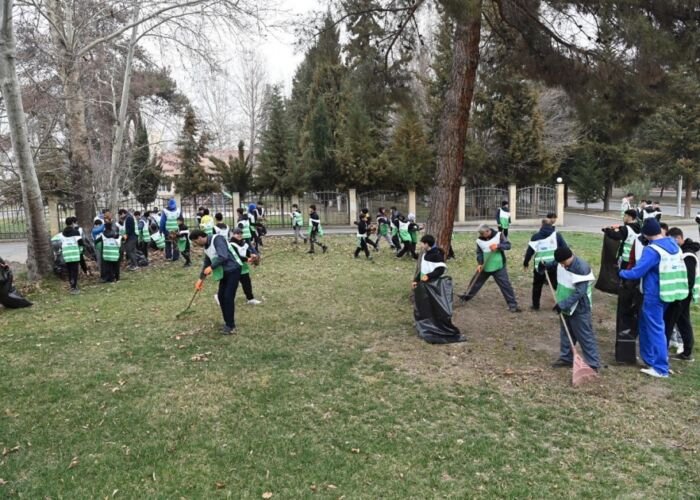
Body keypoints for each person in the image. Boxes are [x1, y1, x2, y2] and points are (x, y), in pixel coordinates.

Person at [619, 218, 688, 378]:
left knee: (656, 329)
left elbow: (637, 272)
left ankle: (660, 368)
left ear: (646, 234)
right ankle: (650, 359)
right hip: (670, 292)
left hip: (654, 294)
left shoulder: (652, 250)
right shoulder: (673, 244)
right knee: (646, 325)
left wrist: (620, 272)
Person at [550, 247, 600, 371]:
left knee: (584, 335)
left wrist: (563, 304)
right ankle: (566, 358)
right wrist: (545, 265)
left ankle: (593, 363)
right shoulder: (562, 261)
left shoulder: (581, 268)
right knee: (566, 333)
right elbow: (554, 263)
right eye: (560, 263)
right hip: (564, 302)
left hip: (580, 307)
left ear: (570, 257)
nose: (562, 265)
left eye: (563, 262)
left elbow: (580, 292)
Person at [189, 228, 243, 335]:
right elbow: (207, 262)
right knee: (221, 297)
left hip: (233, 270)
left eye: (195, 241)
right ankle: (227, 323)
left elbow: (223, 256)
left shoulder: (217, 239)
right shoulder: (206, 247)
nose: (195, 244)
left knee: (228, 297)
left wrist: (211, 267)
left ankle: (230, 326)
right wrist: (201, 279)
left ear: (199, 238)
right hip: (224, 272)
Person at [458, 224, 521, 312]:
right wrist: (480, 263)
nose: (481, 235)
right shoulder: (479, 240)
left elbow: (508, 245)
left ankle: (512, 305)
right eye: (480, 234)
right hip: (485, 266)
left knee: (505, 285)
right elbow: (479, 253)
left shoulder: (499, 235)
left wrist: (498, 246)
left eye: (482, 233)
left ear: (488, 231)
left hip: (499, 266)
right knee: (475, 281)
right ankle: (466, 297)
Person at [663, 227, 698, 362]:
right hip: (681, 293)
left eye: (671, 240)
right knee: (683, 321)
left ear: (678, 238)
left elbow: (689, 280)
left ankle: (663, 351)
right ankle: (687, 352)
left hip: (682, 294)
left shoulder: (688, 255)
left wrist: (680, 296)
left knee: (670, 321)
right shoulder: (683, 251)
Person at [523, 218, 568, 310]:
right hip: (554, 265)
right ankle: (561, 304)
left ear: (542, 225)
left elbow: (529, 252)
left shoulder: (535, 236)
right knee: (557, 285)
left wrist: (526, 262)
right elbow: (565, 248)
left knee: (537, 285)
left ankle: (535, 305)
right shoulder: (557, 236)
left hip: (539, 266)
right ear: (551, 225)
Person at [231, 228, 262, 305]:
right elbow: (236, 257)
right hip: (234, 268)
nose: (239, 235)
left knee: (247, 284)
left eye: (241, 233)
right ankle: (223, 297)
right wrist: (247, 259)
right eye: (237, 233)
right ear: (233, 234)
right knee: (232, 285)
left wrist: (252, 255)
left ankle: (250, 299)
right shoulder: (231, 244)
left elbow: (247, 252)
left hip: (243, 268)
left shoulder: (244, 243)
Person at [60, 217, 84, 294]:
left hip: (66, 254)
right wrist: (81, 251)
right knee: (74, 271)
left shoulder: (62, 233)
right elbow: (81, 243)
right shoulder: (76, 232)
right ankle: (74, 287)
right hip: (74, 254)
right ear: (73, 223)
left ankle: (72, 284)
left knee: (70, 270)